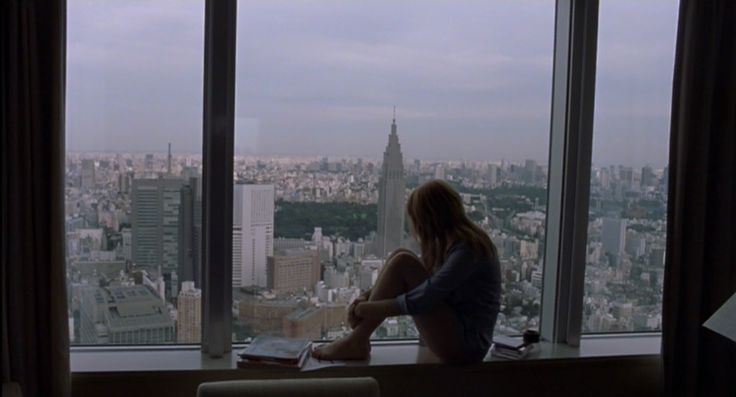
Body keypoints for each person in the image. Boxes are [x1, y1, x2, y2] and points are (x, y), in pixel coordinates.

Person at [312, 179, 502, 364]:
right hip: (457, 334)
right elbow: (408, 281)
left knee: (403, 261)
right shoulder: (450, 244)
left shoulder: (469, 249)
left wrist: (368, 309)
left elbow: (426, 295)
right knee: (401, 255)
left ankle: (357, 340)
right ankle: (358, 339)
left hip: (467, 347)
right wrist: (365, 298)